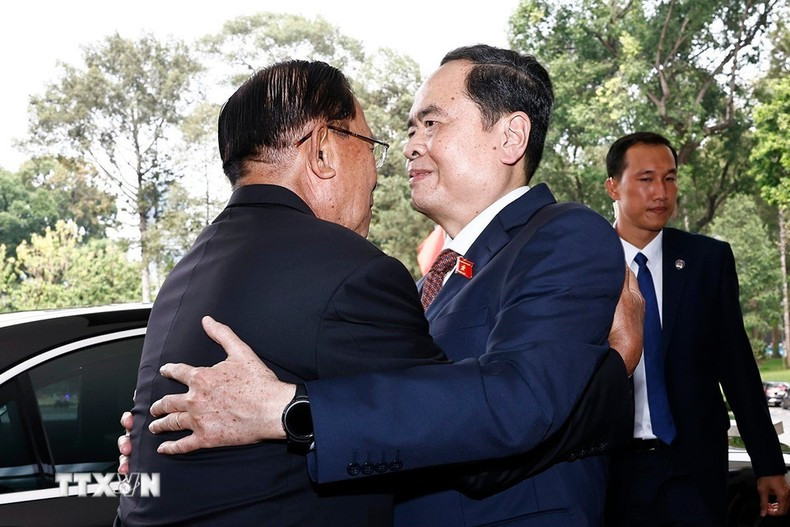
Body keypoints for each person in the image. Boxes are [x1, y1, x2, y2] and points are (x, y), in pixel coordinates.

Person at [123, 45, 644, 526]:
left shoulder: (562, 234)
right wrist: (172, 454)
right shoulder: (411, 282)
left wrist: (284, 410)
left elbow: (512, 411)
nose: (409, 147)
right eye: (409, 130)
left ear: (510, 137)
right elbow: (396, 415)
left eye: (431, 124)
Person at [115, 59, 452, 526]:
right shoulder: (356, 271)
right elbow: (453, 428)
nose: (377, 171)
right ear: (322, 151)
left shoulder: (188, 270)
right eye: (370, 145)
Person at [603, 131, 790, 526]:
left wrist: (769, 464)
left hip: (693, 469)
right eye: (646, 179)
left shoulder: (707, 261)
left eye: (670, 178)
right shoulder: (582, 264)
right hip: (610, 471)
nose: (661, 192)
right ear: (613, 187)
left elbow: (737, 367)